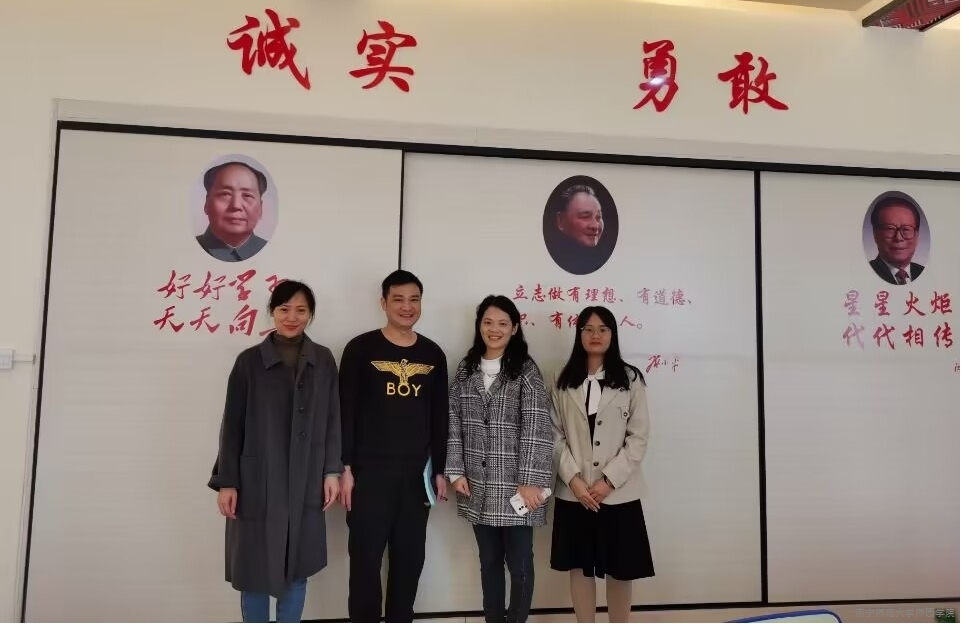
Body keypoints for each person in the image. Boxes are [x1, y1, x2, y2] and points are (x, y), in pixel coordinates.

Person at [207, 280, 343, 623]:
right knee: (253, 568)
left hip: (306, 476)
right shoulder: (249, 362)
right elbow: (232, 425)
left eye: (301, 310)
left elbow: (333, 418)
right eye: (284, 309)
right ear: (272, 312)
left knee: (297, 564)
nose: (292, 317)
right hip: (257, 480)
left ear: (310, 315)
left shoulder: (323, 360)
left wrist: (331, 471)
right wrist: (227, 481)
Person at [338, 270, 449, 623]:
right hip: (367, 478)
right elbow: (345, 412)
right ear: (383, 303)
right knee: (365, 566)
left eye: (414, 299)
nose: (406, 306)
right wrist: (344, 468)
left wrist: (441, 470)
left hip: (416, 479)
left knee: (409, 564)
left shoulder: (433, 354)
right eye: (398, 299)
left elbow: (440, 417)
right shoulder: (360, 349)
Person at [445, 295, 554, 623]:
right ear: (479, 325)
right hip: (477, 485)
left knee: (520, 566)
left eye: (503, 323)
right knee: (489, 562)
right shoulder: (466, 370)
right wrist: (455, 470)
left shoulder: (526, 371)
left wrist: (531, 481)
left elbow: (537, 425)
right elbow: (453, 420)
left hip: (517, 489)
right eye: (488, 322)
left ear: (515, 328)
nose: (495, 329)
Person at [548, 306, 654, 623]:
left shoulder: (631, 379)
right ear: (579, 334)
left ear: (612, 334)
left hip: (618, 493)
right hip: (575, 493)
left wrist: (608, 482)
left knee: (621, 569)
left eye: (603, 329)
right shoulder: (560, 378)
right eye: (588, 329)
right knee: (580, 567)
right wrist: (574, 479)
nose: (595, 335)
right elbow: (552, 434)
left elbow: (638, 437)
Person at [196, 161, 269, 262]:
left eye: (247, 195)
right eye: (225, 194)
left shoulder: (273, 252)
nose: (236, 205)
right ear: (206, 204)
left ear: (260, 208)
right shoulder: (187, 249)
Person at [866, 191, 925, 285]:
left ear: (917, 235)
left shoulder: (923, 272)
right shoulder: (865, 272)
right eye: (890, 229)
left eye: (906, 229)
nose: (898, 238)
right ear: (875, 234)